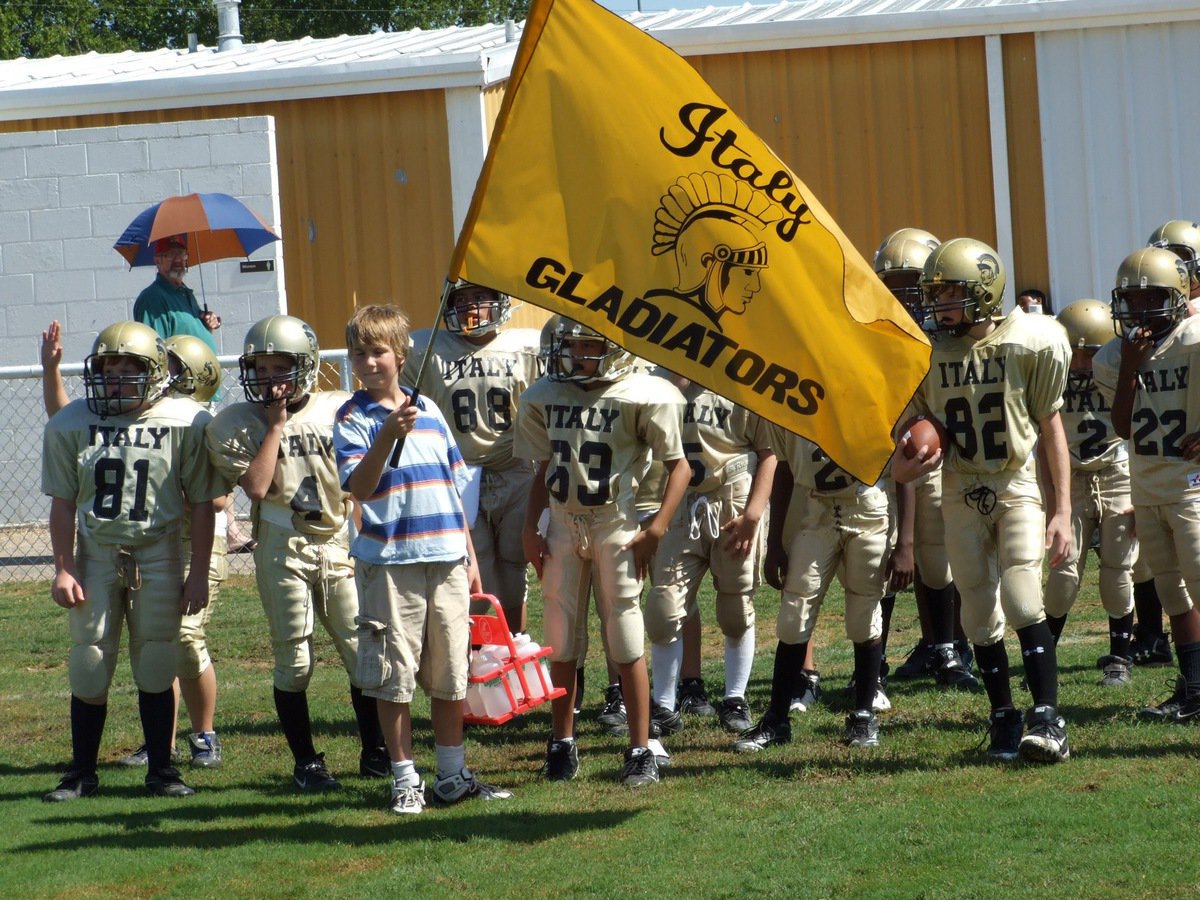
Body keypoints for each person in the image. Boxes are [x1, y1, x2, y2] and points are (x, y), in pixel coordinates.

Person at [892, 237, 1074, 764]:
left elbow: (1051, 429)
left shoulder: (1030, 341)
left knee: (1021, 597)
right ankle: (1003, 716)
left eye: (950, 294)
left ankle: (1048, 717)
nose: (939, 305)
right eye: (937, 294)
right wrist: (907, 461)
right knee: (976, 609)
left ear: (985, 293)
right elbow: (911, 437)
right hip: (958, 487)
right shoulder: (931, 353)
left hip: (1013, 482)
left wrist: (1061, 510)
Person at [335, 303, 511, 816]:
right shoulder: (352, 419)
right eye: (359, 354)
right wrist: (387, 433)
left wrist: (470, 554)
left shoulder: (430, 410)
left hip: (449, 558)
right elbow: (360, 489)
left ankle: (452, 774)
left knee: (450, 671)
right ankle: (405, 777)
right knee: (395, 674)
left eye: (378, 352)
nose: (368, 363)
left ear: (402, 354)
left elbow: (455, 491)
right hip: (391, 564)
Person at [206, 315, 387, 792]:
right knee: (295, 660)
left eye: (278, 368)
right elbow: (259, 487)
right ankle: (306, 762)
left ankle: (375, 751)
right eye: (259, 370)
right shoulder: (238, 422)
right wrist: (275, 426)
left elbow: (359, 483)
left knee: (359, 650)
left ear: (304, 367)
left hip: (337, 541)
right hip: (283, 545)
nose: (267, 380)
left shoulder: (337, 409)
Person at [42, 321, 220, 801]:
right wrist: (63, 565)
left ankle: (161, 770)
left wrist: (198, 571)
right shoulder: (71, 422)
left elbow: (203, 503)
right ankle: (81, 771)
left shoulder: (187, 419)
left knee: (158, 661)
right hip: (97, 552)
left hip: (160, 551)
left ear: (157, 373)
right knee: (89, 660)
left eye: (128, 367)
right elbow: (61, 501)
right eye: (107, 366)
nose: (115, 376)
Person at [517, 317, 690, 786]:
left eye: (587, 346)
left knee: (626, 633)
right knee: (560, 634)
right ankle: (562, 743)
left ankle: (640, 747)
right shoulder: (546, 395)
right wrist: (532, 527)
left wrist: (655, 529)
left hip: (616, 521)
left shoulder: (640, 392)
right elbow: (544, 466)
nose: (575, 356)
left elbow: (681, 467)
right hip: (562, 520)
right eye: (570, 347)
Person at [1093, 247, 1200, 722]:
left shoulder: (1195, 338)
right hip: (1148, 485)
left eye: (1151, 298)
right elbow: (1121, 426)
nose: (1140, 312)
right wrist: (1133, 368)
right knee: (1174, 593)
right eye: (1132, 301)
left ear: (1177, 297)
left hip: (1192, 486)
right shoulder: (1115, 356)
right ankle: (1194, 688)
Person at [735, 433, 891, 752]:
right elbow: (784, 467)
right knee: (794, 617)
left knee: (864, 617)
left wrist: (906, 542)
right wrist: (776, 541)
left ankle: (863, 714)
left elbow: (902, 469)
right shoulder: (801, 393)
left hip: (868, 509)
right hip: (815, 510)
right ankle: (777, 718)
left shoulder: (873, 390)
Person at [402, 280, 542, 633]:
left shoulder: (525, 347)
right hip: (459, 475)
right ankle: (478, 656)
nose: (470, 306)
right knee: (471, 571)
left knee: (513, 570)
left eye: (480, 297)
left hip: (515, 469)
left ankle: (515, 649)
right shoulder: (427, 347)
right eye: (461, 300)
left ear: (499, 302)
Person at [644, 372, 776, 735]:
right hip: (680, 504)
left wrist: (753, 514)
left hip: (731, 499)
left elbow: (769, 453)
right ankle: (665, 707)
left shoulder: (741, 382)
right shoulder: (656, 383)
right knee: (664, 607)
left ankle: (735, 697)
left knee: (735, 608)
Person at [874, 228, 976, 689]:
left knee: (935, 556)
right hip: (880, 460)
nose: (901, 299)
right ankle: (876, 656)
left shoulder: (947, 338)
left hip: (931, 459)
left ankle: (949, 647)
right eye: (890, 287)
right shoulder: (875, 334)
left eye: (910, 287)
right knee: (881, 553)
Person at [1044, 300, 1136, 686]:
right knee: (1062, 575)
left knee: (1118, 570)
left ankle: (1120, 657)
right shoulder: (1049, 375)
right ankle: (1044, 654)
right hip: (1073, 478)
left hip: (1115, 473)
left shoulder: (1121, 370)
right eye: (1075, 352)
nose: (1081, 363)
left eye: (1090, 353)